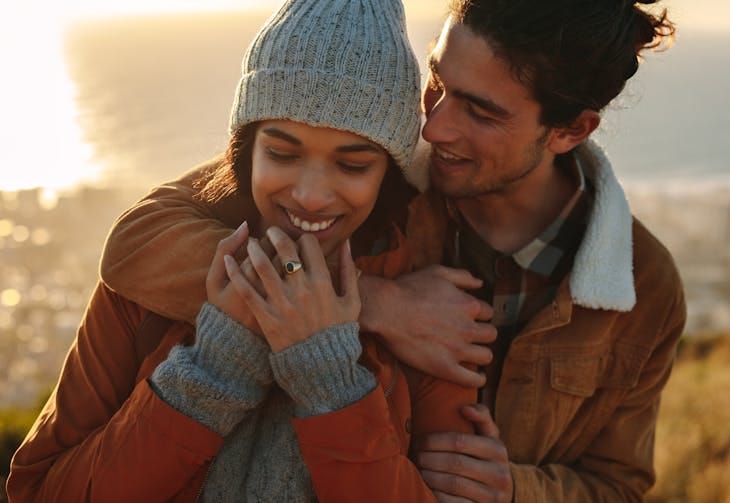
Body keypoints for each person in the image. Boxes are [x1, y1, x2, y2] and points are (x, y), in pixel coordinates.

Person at [45, 0, 686, 502]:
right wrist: (372, 303)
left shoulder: (641, 284)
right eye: (436, 84)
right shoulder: (369, 175)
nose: (432, 128)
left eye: (480, 112)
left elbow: (618, 484)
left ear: (571, 129)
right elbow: (141, 236)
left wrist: (514, 490)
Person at [7, 1, 480, 501]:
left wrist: (331, 384)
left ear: (391, 173)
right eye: (282, 153)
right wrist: (214, 371)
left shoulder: (431, 316)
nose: (310, 195)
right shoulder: (152, 285)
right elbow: (38, 492)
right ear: (245, 151)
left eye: (353, 165)